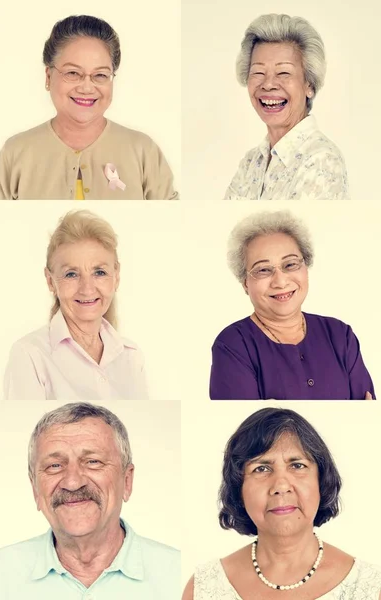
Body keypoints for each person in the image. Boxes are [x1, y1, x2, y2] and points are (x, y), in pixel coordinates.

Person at [0, 402, 180, 598]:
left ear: (126, 481)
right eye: (55, 465)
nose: (73, 482)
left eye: (93, 462)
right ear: (35, 488)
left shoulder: (178, 577)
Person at [183, 407, 381, 599]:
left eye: (297, 465)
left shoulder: (370, 587)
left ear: (321, 480)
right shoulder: (202, 589)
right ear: (238, 488)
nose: (281, 485)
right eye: (261, 469)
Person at [0, 15, 177, 200]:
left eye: (100, 75)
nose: (86, 87)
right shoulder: (16, 151)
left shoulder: (143, 151)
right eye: (73, 73)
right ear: (48, 76)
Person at [210, 210, 374, 399]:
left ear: (306, 268)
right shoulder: (233, 345)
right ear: (245, 282)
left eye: (290, 265)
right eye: (263, 270)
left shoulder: (339, 335)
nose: (280, 281)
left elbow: (366, 414)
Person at [3, 210, 148, 400]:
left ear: (117, 276)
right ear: (50, 280)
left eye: (100, 272)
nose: (87, 289)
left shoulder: (132, 356)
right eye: (71, 274)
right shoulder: (29, 355)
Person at [224, 14, 348, 200]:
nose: (268, 84)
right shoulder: (251, 161)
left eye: (283, 72)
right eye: (258, 72)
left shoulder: (321, 160)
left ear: (309, 85)